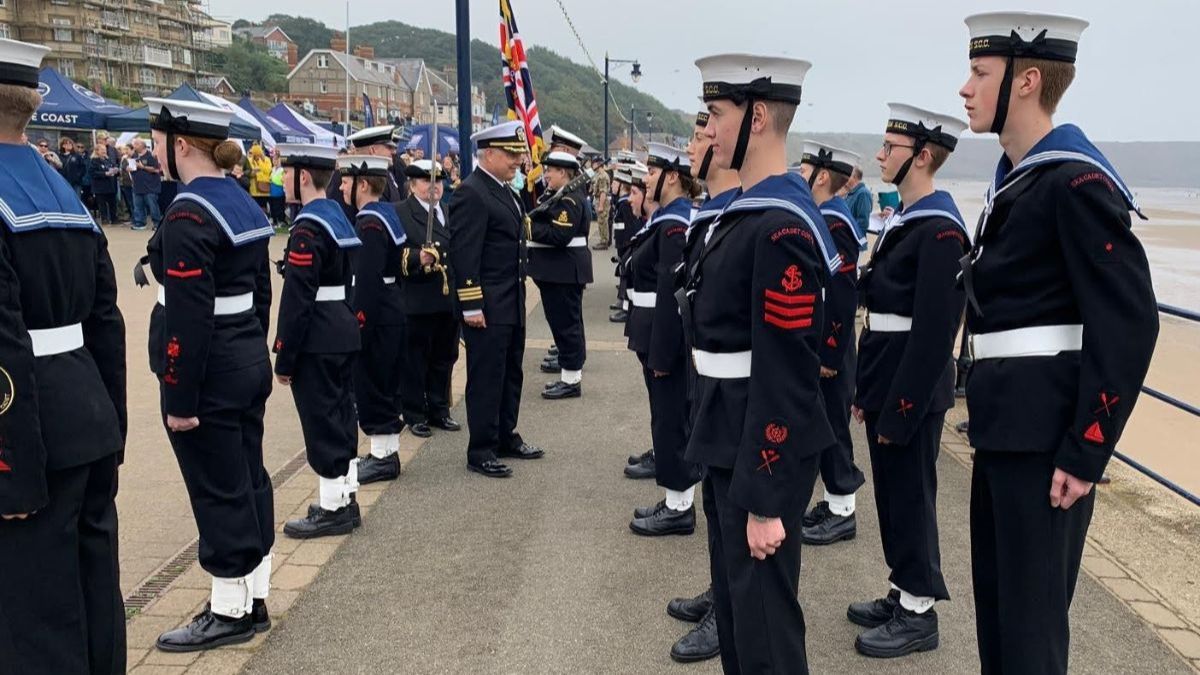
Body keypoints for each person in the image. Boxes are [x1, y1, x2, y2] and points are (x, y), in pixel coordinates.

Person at [959, 12, 1159, 674]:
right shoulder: (1021, 179)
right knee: (1000, 626)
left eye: (980, 74)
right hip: (1003, 434)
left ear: (1027, 80)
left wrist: (1087, 449)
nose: (965, 88)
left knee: (1030, 639)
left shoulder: (1075, 182)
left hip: (1047, 450)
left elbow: (1128, 322)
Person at [686, 53, 840, 674]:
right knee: (739, 621)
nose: (709, 128)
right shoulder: (749, 214)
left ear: (756, 118)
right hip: (729, 435)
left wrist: (766, 496)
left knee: (767, 636)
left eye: (718, 113)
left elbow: (786, 371)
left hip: (759, 449)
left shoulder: (780, 229)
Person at [0, 37, 127, 674]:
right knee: (94, 591)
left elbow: (1, 344)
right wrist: (117, 428)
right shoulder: (65, 191)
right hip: (87, 416)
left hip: (27, 432)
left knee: (32, 615)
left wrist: (9, 467)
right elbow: (107, 322)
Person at [139, 98, 277, 653]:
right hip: (242, 358)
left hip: (209, 371)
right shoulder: (241, 201)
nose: (153, 153)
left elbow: (189, 317)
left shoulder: (188, 213)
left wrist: (179, 394)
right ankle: (254, 595)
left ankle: (228, 610)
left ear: (181, 146)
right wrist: (254, 350)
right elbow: (263, 293)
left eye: (156, 143)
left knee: (217, 489)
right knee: (250, 478)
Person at [845, 105, 970, 658]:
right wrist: (866, 389)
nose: (879, 155)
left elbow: (933, 336)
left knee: (912, 496)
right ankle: (903, 589)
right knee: (893, 495)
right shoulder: (909, 218)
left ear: (921, 156)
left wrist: (900, 407)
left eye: (889, 148)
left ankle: (919, 611)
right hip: (885, 373)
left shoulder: (941, 230)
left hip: (910, 385)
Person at [662, 109, 742, 665]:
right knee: (716, 507)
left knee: (736, 515)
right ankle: (722, 591)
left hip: (736, 393)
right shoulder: (712, 215)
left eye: (703, 132)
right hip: (705, 377)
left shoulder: (748, 217)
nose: (693, 146)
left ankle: (730, 608)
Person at [273, 143, 364, 538]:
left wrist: (284, 356)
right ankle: (343, 495)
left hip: (318, 335)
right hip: (341, 327)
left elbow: (297, 300)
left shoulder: (309, 227)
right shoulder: (336, 216)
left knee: (322, 419)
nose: (283, 178)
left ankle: (332, 508)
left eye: (287, 172)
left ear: (303, 177)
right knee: (342, 413)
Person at [448, 120, 544, 478]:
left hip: (510, 301)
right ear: (488, 154)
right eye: (511, 154)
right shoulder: (471, 192)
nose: (518, 160)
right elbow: (464, 253)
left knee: (510, 372)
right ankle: (482, 448)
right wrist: (471, 305)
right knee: (487, 377)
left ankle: (506, 433)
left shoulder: (505, 190)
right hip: (486, 304)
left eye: (519, 153)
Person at [792, 142, 869, 548]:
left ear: (822, 176)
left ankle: (842, 511)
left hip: (831, 346)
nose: (797, 172)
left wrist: (831, 351)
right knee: (824, 423)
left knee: (835, 425)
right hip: (824, 343)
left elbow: (841, 293)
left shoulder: (835, 223)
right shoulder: (822, 216)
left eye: (803, 167)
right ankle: (833, 500)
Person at [625, 142, 700, 536]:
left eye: (652, 172)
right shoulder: (667, 219)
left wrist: (662, 352)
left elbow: (672, 292)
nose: (646, 179)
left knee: (672, 420)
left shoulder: (674, 224)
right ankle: (675, 497)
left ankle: (680, 506)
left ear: (672, 176)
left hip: (662, 334)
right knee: (665, 417)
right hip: (650, 330)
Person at [339, 154, 409, 484]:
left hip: (377, 311)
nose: (340, 186)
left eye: (346, 181)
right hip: (392, 307)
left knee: (372, 383)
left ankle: (382, 456)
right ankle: (386, 451)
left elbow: (365, 281)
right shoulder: (386, 214)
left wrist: (358, 325)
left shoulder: (368, 222)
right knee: (386, 381)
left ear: (363, 185)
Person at [395, 159, 461, 440]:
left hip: (446, 299)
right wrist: (416, 258)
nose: (434, 186)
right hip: (418, 298)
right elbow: (392, 253)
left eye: (438, 180)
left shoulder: (448, 210)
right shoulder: (401, 213)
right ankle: (414, 413)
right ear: (412, 184)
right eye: (426, 181)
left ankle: (439, 409)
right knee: (415, 360)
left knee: (444, 356)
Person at [529, 151, 593, 400]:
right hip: (558, 272)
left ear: (564, 173)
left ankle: (571, 379)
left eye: (550, 171)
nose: (546, 175)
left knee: (567, 327)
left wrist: (529, 228)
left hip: (563, 272)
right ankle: (569, 370)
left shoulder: (569, 201)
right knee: (564, 324)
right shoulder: (560, 196)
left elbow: (559, 235)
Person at [329, 125, 403, 219]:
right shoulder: (345, 176)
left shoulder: (387, 174)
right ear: (372, 150)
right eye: (389, 147)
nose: (394, 152)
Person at [130, 138, 163, 231]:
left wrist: (143, 167)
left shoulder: (151, 156)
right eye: (134, 144)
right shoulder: (134, 156)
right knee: (138, 206)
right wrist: (129, 169)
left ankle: (157, 223)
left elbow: (157, 170)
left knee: (153, 206)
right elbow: (132, 169)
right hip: (137, 186)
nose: (134, 146)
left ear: (142, 145)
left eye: (136, 144)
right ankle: (140, 223)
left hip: (151, 186)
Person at [89, 141, 120, 225]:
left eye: (105, 149)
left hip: (110, 185)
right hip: (100, 187)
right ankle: (104, 219)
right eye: (102, 150)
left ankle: (114, 219)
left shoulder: (108, 159)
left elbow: (113, 166)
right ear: (97, 151)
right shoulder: (94, 161)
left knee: (112, 203)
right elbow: (92, 173)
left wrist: (115, 170)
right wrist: (105, 173)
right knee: (102, 204)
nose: (104, 151)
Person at [844, 166, 873, 235]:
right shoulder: (850, 194)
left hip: (855, 242)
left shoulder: (863, 193)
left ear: (854, 177)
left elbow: (863, 222)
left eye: (847, 174)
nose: (845, 177)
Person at [591, 157, 612, 250]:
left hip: (602, 200)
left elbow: (603, 192)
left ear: (598, 164)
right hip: (598, 199)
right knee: (601, 221)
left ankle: (604, 242)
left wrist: (601, 205)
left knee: (603, 221)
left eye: (594, 163)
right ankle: (603, 240)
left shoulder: (603, 176)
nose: (592, 165)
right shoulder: (598, 175)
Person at [246, 143, 273, 214]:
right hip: (254, 189)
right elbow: (247, 171)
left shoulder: (266, 160)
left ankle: (265, 217)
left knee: (263, 205)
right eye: (253, 153)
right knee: (255, 206)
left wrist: (260, 161)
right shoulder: (249, 160)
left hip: (264, 188)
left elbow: (268, 170)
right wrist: (253, 173)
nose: (256, 155)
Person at [268, 153, 288, 227]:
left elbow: (283, 180)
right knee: (272, 207)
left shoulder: (282, 170)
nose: (274, 161)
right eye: (273, 159)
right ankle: (274, 221)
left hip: (279, 192)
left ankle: (281, 221)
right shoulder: (272, 169)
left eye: (276, 159)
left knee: (279, 207)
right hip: (272, 192)